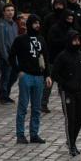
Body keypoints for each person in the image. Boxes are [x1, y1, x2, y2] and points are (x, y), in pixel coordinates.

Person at [11, 14, 52, 144]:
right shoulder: (20, 40)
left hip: (39, 77)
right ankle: (20, 134)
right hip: (26, 76)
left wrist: (47, 75)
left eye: (38, 23)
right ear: (29, 24)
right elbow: (11, 56)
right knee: (23, 106)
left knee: (36, 107)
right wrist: (19, 71)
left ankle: (34, 134)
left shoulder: (41, 39)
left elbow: (45, 58)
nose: (37, 25)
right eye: (35, 23)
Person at [51, 29, 81, 157]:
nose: (76, 42)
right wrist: (65, 84)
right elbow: (55, 73)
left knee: (80, 116)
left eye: (78, 40)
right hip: (67, 92)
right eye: (74, 40)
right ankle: (71, 144)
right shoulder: (62, 56)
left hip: (80, 91)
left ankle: (73, 140)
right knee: (70, 118)